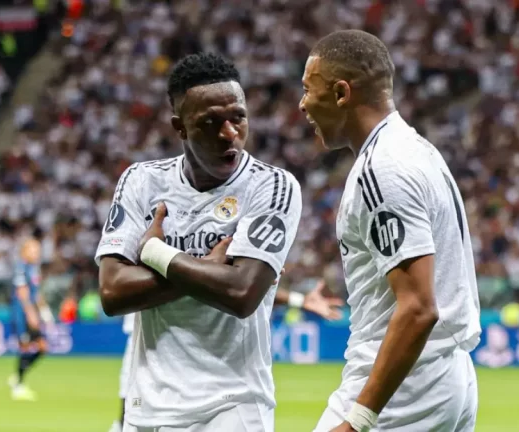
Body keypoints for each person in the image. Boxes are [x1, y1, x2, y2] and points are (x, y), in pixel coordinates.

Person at [96, 52, 320, 432]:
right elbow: (113, 292)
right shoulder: (141, 181)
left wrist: (155, 253)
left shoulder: (272, 186)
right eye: (210, 122)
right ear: (179, 127)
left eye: (238, 117)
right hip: (146, 408)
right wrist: (209, 268)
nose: (229, 133)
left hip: (232, 406)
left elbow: (241, 293)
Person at [300, 30, 482, 432]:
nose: (302, 104)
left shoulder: (383, 169)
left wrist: (358, 420)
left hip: (406, 390)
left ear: (341, 93)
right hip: (442, 375)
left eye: (308, 89)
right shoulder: (417, 151)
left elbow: (418, 307)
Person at [108, 280, 344, 432]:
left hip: (205, 360)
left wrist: (298, 300)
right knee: (127, 418)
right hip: (149, 348)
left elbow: (243, 283)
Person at [7, 237, 54, 401]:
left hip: (31, 311)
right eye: (33, 250)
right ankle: (18, 385)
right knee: (26, 347)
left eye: (38, 250)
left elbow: (37, 293)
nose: (37, 253)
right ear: (24, 251)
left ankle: (18, 376)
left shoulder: (34, 269)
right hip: (22, 314)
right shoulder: (21, 268)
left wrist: (44, 311)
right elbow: (23, 293)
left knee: (42, 347)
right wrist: (31, 314)